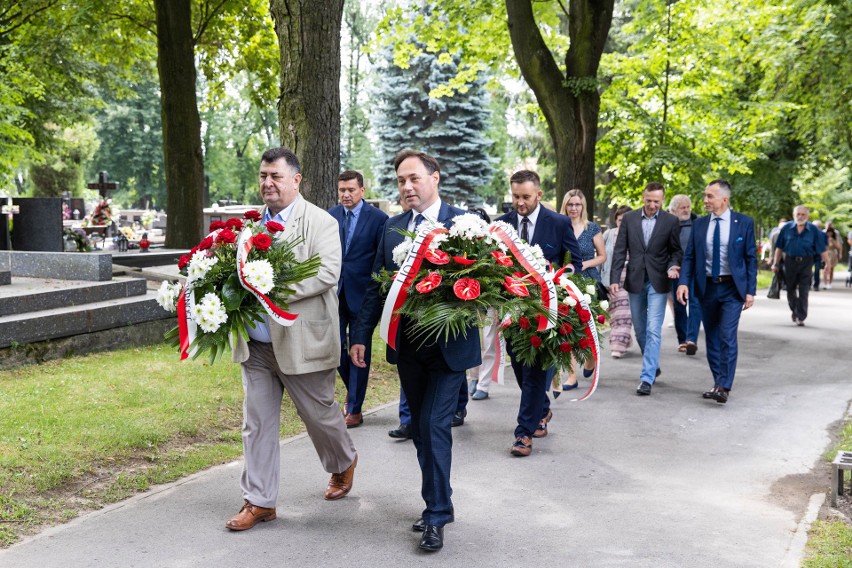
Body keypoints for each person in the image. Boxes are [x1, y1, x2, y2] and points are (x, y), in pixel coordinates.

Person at [350, 149, 481, 552]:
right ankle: (439, 504)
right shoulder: (392, 228)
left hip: (450, 350)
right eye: (401, 181)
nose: (407, 187)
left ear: (435, 178)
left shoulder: (465, 223)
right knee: (422, 433)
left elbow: (486, 282)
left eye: (414, 179)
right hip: (408, 347)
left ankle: (436, 514)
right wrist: (360, 334)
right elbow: (376, 286)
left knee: (432, 425)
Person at [225, 147, 358, 531]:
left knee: (319, 415)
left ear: (295, 180)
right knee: (257, 424)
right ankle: (259, 501)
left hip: (303, 342)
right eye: (263, 175)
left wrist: (267, 288)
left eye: (276, 176)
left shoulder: (320, 222)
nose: (268, 183)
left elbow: (327, 273)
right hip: (257, 346)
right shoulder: (249, 227)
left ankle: (343, 461)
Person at [496, 170, 582, 456]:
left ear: (539, 195)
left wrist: (559, 278)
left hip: (545, 311)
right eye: (516, 197)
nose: (520, 203)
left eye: (526, 197)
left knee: (534, 372)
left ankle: (523, 434)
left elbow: (574, 262)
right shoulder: (501, 224)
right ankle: (542, 409)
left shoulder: (558, 223)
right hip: (511, 311)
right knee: (520, 368)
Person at [676, 180, 757, 404]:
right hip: (707, 287)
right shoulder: (700, 224)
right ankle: (718, 382)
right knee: (711, 337)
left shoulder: (744, 223)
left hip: (732, 288)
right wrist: (683, 282)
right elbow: (690, 256)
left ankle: (724, 385)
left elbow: (750, 258)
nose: (705, 200)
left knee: (727, 336)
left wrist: (750, 290)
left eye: (710, 196)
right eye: (705, 195)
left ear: (724, 199)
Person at [610, 182, 682, 396]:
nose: (652, 205)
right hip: (635, 279)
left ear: (662, 200)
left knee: (652, 328)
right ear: (643, 197)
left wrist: (673, 266)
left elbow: (676, 251)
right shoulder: (630, 219)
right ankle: (653, 364)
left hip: (658, 281)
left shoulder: (671, 221)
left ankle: (646, 377)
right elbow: (620, 250)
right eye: (649, 200)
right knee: (640, 328)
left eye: (656, 201)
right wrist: (615, 278)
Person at [328, 170, 388, 428]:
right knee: (337, 348)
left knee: (359, 349)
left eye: (351, 190)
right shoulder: (330, 216)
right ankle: (353, 392)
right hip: (333, 292)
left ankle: (354, 408)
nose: (346, 194)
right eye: (342, 190)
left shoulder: (379, 219)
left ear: (362, 190)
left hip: (364, 296)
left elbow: (380, 259)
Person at [559, 189, 606, 390]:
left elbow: (602, 256)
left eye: (577, 204)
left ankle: (589, 359)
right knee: (567, 328)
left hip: (588, 282)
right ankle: (571, 376)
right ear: (565, 206)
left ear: (583, 206)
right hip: (566, 282)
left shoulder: (592, 228)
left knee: (587, 328)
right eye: (570, 204)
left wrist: (586, 264)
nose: (574, 208)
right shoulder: (559, 226)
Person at [772, 206, 828, 326]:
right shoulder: (787, 228)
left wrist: (827, 263)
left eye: (803, 214)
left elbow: (822, 249)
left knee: (804, 290)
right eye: (798, 214)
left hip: (806, 262)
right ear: (794, 215)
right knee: (790, 289)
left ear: (807, 216)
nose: (800, 217)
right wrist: (775, 263)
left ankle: (801, 316)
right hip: (790, 261)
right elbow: (779, 248)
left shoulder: (813, 230)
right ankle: (795, 310)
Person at [668, 194, 702, 356]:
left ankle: (691, 340)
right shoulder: (668, 225)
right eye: (683, 207)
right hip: (677, 271)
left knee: (695, 303)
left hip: (695, 270)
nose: (687, 210)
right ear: (674, 210)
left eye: (688, 206)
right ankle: (682, 339)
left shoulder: (698, 222)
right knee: (680, 304)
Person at [600, 205, 634, 359]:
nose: (623, 223)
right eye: (620, 220)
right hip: (609, 279)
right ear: (616, 220)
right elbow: (601, 255)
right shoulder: (608, 234)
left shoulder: (635, 236)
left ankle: (617, 345)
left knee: (623, 312)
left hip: (628, 279)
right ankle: (624, 339)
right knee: (615, 314)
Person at [822, 221, 842, 289]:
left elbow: (839, 246)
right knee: (825, 268)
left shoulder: (836, 234)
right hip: (825, 253)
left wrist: (840, 253)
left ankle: (829, 283)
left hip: (833, 254)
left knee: (831, 269)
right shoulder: (822, 233)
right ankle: (825, 283)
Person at [811, 220, 826, 291]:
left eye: (818, 226)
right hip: (809, 255)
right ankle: (807, 284)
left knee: (817, 270)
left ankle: (816, 285)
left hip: (818, 255)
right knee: (806, 270)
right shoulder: (807, 233)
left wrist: (825, 258)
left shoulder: (823, 234)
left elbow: (825, 246)